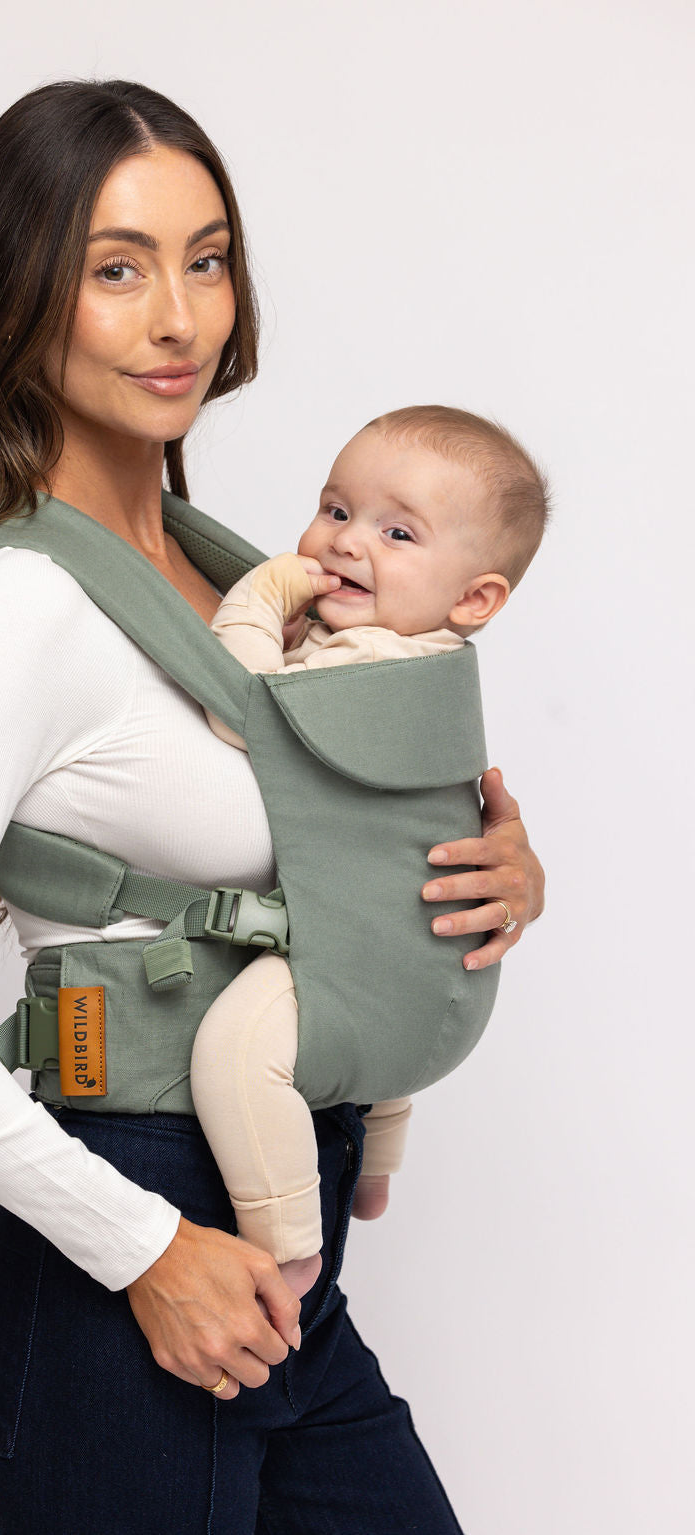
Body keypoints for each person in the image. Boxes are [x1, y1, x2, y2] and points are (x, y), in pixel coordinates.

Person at [0, 79, 546, 1533]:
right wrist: (142, 1247)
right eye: (117, 267)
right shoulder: (20, 597)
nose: (180, 317)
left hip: (284, 1257)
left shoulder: (235, 571)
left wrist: (495, 874)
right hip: (128, 1272)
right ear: (17, 296)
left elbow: (332, 830)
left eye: (205, 259)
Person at [191, 404, 549, 1300]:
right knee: (372, 956)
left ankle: (290, 1241)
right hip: (440, 988)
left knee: (236, 1051)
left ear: (475, 600)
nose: (348, 543)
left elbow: (235, 704)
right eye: (336, 509)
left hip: (367, 978)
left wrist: (266, 595)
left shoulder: (368, 663)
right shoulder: (427, 664)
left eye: (397, 531)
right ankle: (377, 1161)